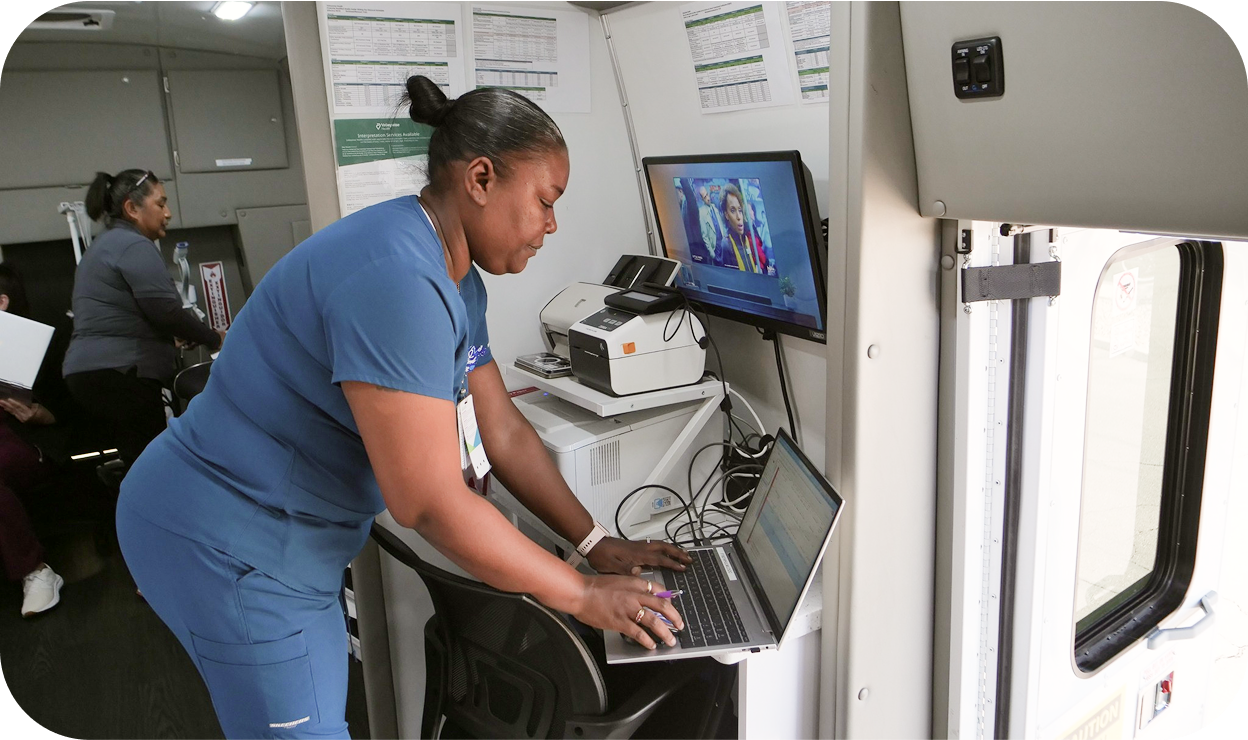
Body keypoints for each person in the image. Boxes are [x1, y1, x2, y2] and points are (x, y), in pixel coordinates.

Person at [115, 76, 692, 740]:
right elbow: (428, 503)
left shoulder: (454, 277)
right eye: (545, 201)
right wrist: (580, 592)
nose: (550, 226)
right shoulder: (397, 277)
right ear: (481, 178)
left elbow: (502, 429)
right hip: (225, 539)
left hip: (289, 540)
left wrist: (594, 543)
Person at [62, 170, 224, 472]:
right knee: (153, 464)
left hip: (89, 373)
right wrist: (214, 339)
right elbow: (165, 311)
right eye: (160, 203)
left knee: (138, 458)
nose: (168, 212)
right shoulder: (133, 244)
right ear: (132, 208)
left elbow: (125, 314)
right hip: (120, 372)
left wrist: (172, 337)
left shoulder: (103, 245)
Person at [0, 263, 68, 617]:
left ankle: (36, 570)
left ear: (2, 302)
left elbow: (70, 405)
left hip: (26, 440)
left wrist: (42, 413)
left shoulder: (40, 342)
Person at [716, 183, 768, 274]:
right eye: (733, 210)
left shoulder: (746, 238)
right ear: (726, 214)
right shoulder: (726, 244)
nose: (739, 217)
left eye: (740, 210)